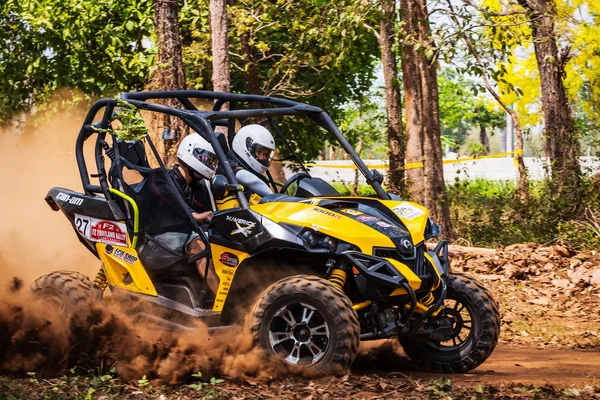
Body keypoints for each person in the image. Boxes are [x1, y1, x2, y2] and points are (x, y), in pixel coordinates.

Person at [142, 133, 219, 293]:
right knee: (200, 245)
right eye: (206, 159)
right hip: (154, 241)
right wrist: (200, 216)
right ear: (191, 152)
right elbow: (179, 208)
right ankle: (225, 303)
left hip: (184, 238)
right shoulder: (161, 178)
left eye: (212, 160)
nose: (209, 164)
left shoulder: (200, 187)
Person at [228, 124, 276, 199]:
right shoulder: (230, 166)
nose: (262, 158)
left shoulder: (260, 178)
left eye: (265, 154)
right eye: (258, 152)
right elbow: (251, 181)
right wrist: (275, 198)